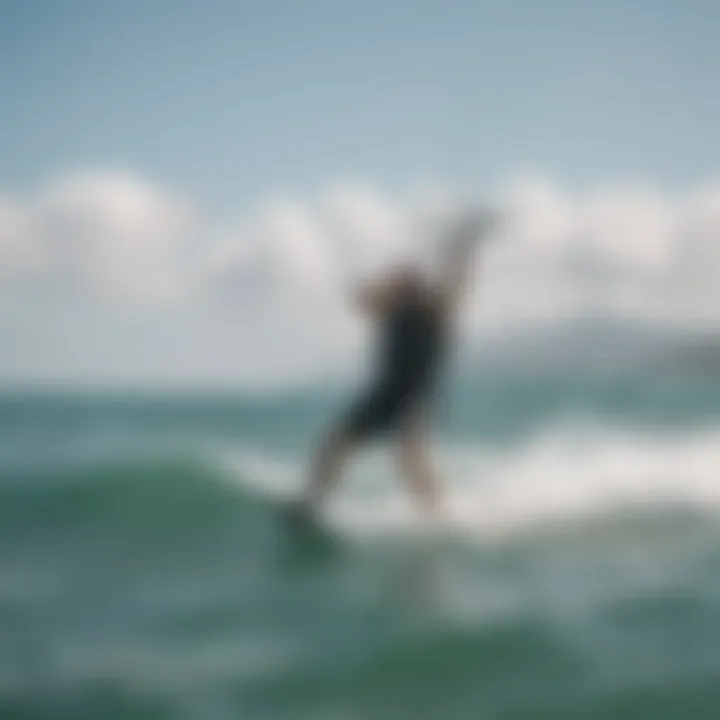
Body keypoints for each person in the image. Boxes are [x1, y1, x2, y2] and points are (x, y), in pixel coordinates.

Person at [287, 209, 497, 527]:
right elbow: (358, 298)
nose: (400, 287)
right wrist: (383, 285)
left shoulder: (436, 312)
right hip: (384, 393)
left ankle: (440, 517)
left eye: (406, 282)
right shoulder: (391, 310)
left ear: (419, 287)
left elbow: (457, 278)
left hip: (417, 395)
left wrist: (463, 242)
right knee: (337, 441)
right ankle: (311, 504)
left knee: (410, 454)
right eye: (398, 282)